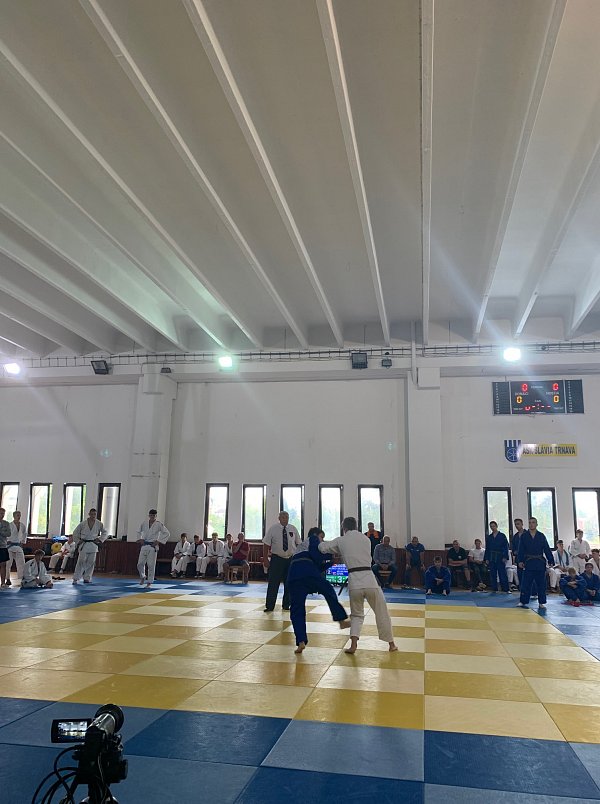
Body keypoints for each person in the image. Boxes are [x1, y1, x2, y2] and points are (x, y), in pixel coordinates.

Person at [319, 516, 397, 654]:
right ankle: (391, 644)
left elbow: (323, 548)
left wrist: (318, 540)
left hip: (354, 582)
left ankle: (353, 645)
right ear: (356, 526)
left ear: (344, 528)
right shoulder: (366, 539)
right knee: (382, 612)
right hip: (369, 579)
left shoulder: (341, 540)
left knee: (356, 615)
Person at [289, 526, 350, 652]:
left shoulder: (301, 548)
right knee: (328, 590)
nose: (322, 540)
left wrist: (331, 562)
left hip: (294, 575)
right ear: (316, 535)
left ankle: (301, 641)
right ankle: (340, 619)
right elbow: (316, 556)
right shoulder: (313, 539)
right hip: (308, 573)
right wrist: (331, 555)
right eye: (322, 537)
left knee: (297, 609)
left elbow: (316, 564)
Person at [263, 511, 301, 612]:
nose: (285, 518)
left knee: (289, 582)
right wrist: (265, 558)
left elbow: (298, 543)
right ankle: (270, 606)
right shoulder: (273, 529)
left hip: (290, 558)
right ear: (279, 518)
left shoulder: (293, 528)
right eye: (283, 517)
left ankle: (286, 604)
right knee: (273, 583)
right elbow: (266, 544)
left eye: (286, 517)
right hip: (277, 558)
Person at [517, 517, 555, 609]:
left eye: (533, 522)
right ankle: (523, 601)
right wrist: (520, 561)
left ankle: (541, 602)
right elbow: (521, 549)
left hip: (539, 562)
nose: (531, 524)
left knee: (541, 584)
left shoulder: (541, 536)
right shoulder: (524, 536)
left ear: (536, 524)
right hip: (528, 562)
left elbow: (546, 548)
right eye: (530, 522)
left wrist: (550, 560)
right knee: (526, 583)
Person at [72, 508, 107, 585]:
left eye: (94, 514)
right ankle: (76, 578)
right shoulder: (83, 523)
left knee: (91, 562)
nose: (93, 516)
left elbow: (105, 532)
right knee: (81, 561)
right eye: (92, 514)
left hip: (93, 544)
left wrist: (100, 539)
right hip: (84, 544)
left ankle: (87, 578)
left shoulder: (99, 523)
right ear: (89, 514)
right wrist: (78, 541)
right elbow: (75, 533)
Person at [136, 509, 170, 588]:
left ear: (156, 516)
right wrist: (140, 539)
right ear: (149, 515)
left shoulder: (158, 524)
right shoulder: (144, 523)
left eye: (153, 515)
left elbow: (167, 533)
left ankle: (149, 582)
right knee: (140, 564)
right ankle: (143, 576)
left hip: (152, 546)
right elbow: (138, 531)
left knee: (151, 565)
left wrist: (158, 541)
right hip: (144, 545)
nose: (152, 517)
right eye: (151, 515)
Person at [485, 521, 510, 593]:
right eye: (491, 526)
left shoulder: (502, 536)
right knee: (493, 574)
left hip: (500, 556)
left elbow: (506, 546)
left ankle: (505, 589)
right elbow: (487, 548)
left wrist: (505, 556)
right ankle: (494, 589)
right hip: (491, 557)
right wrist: (487, 558)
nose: (492, 528)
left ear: (496, 526)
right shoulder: (489, 537)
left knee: (502, 573)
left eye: (493, 526)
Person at [6, 510, 27, 586]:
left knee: (21, 563)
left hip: (18, 546)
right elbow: (5, 534)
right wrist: (6, 541)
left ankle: (22, 579)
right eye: (17, 515)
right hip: (9, 546)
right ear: (14, 516)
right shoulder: (9, 525)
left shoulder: (22, 525)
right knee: (8, 564)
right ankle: (7, 579)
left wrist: (22, 542)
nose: (19, 517)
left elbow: (24, 534)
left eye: (20, 515)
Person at [512, 518, 526, 587]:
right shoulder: (515, 536)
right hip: (518, 558)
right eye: (515, 524)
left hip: (527, 557)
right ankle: (521, 588)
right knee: (520, 574)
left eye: (518, 524)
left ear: (522, 524)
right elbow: (513, 548)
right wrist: (515, 552)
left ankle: (531, 590)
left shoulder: (527, 534)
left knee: (528, 574)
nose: (517, 526)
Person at [0, 508, 10, 590]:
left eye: (3, 513)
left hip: (3, 546)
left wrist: (1, 532)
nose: (2, 515)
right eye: (0, 513)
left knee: (3, 564)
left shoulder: (6, 523)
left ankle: (3, 583)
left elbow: (9, 533)